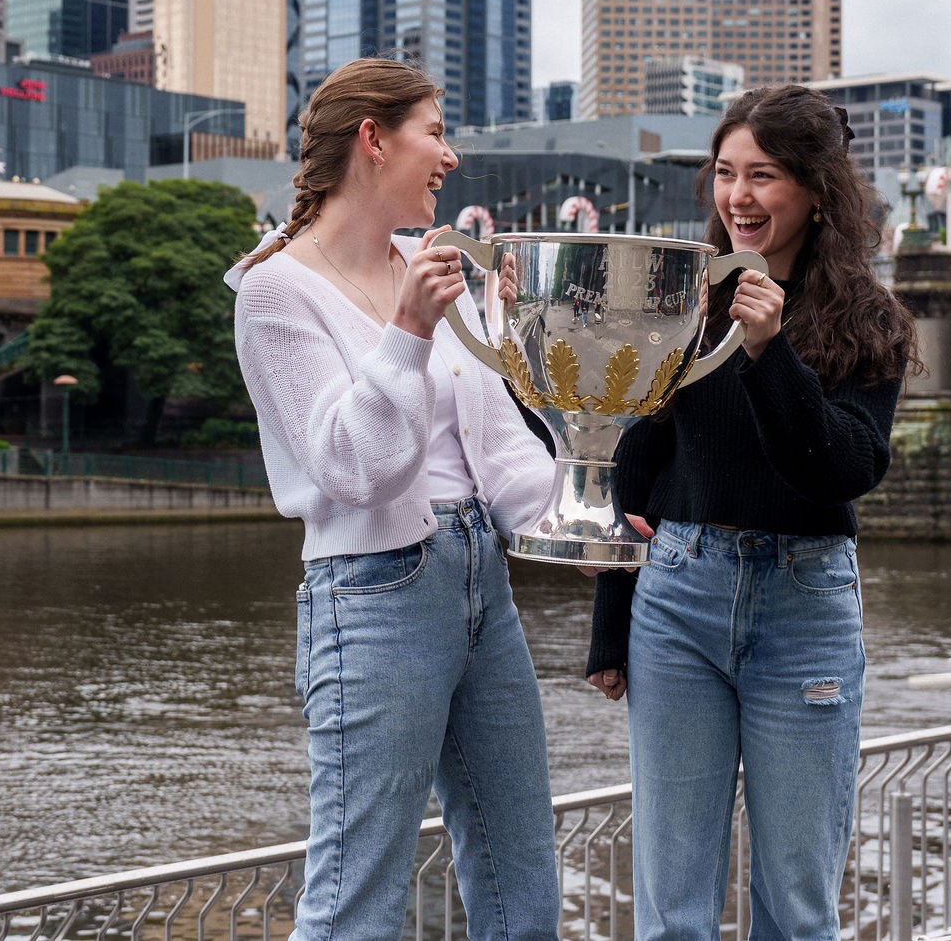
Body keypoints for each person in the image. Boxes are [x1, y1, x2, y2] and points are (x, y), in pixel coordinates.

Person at [228, 58, 561, 941]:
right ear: (373, 139)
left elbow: (497, 441)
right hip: (373, 592)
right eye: (435, 132)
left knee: (523, 883)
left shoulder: (426, 262)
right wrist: (409, 329)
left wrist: (573, 523)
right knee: (357, 902)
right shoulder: (272, 291)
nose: (451, 156)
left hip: (482, 580)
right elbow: (354, 465)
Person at [584, 85, 916, 941]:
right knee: (672, 912)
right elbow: (638, 465)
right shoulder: (686, 296)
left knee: (798, 910)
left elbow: (845, 468)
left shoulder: (868, 318)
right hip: (679, 598)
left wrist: (771, 352)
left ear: (814, 188)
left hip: (804, 607)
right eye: (726, 172)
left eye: (762, 175)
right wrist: (610, 625)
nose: (739, 195)